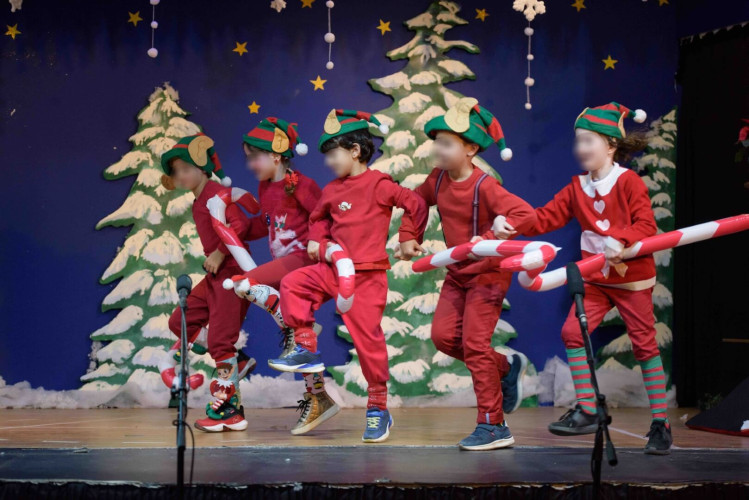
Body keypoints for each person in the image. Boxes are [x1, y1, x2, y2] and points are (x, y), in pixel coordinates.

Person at [517, 102, 672, 454]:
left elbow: (646, 225)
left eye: (588, 141)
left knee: (644, 345)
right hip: (595, 278)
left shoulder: (628, 181)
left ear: (611, 145)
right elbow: (544, 218)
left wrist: (622, 239)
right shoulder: (577, 187)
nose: (580, 148)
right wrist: (512, 223)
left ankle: (661, 423)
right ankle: (588, 409)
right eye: (578, 141)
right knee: (572, 332)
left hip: (632, 279)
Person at [270, 109, 428, 442]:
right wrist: (317, 239)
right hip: (333, 269)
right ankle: (306, 346)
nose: (328, 162)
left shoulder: (379, 184)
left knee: (368, 342)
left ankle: (378, 408)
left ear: (355, 150)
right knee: (293, 283)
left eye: (333, 154)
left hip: (366, 277)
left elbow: (416, 204)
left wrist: (408, 236)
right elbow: (319, 218)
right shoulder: (331, 190)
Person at [398, 97, 536, 451]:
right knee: (444, 338)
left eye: (446, 143)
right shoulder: (438, 179)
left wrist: (490, 237)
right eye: (437, 142)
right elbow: (416, 202)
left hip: (488, 275)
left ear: (471, 149)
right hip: (457, 274)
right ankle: (505, 367)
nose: (437, 149)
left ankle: (493, 425)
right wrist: (409, 236)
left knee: (475, 345)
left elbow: (524, 214)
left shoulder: (484, 186)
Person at [239, 117, 339, 435]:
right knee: (296, 337)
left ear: (276, 155)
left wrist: (323, 247)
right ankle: (318, 397)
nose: (250, 165)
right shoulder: (265, 187)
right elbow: (267, 223)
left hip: (304, 262)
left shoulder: (303, 186)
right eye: (248, 158)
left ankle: (294, 323)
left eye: (255, 157)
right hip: (285, 266)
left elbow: (325, 218)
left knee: (247, 283)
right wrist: (237, 228)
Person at [160, 133, 254, 432]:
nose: (181, 176)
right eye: (176, 171)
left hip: (232, 273)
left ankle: (230, 411)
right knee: (180, 321)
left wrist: (220, 251)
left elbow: (241, 225)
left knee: (220, 342)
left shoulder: (216, 194)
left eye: (186, 169)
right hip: (215, 276)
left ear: (203, 168)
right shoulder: (199, 200)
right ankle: (239, 361)